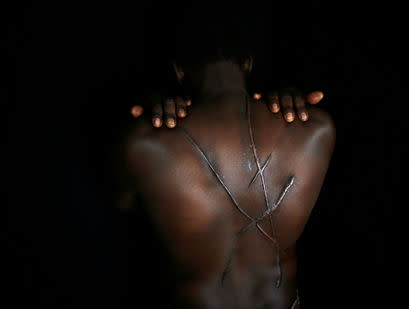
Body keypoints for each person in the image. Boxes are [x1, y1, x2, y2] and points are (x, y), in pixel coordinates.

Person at [113, 8, 335, 309]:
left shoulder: (143, 143)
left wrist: (148, 114)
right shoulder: (317, 129)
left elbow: (124, 203)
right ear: (248, 64)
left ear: (178, 71)